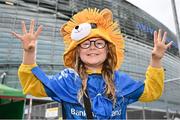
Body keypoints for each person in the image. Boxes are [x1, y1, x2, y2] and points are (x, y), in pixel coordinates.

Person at [12, 8, 172, 119]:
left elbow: (152, 92)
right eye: (86, 43)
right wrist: (29, 53)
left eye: (99, 43)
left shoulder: (120, 81)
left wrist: (156, 60)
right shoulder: (67, 80)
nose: (93, 48)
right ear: (77, 51)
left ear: (108, 49)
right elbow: (33, 85)